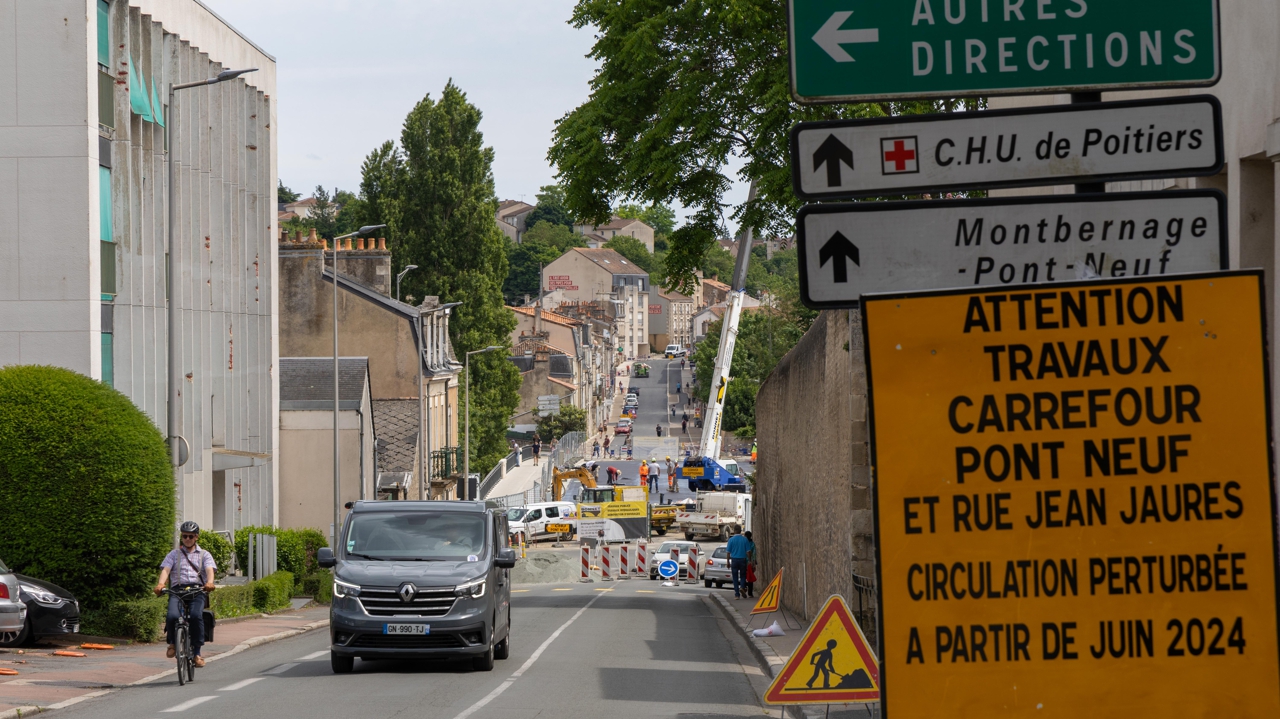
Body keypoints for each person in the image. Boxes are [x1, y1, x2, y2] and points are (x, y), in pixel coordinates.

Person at [154, 521, 216, 666]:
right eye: (184, 536)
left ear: (196, 537)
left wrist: (210, 583)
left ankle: (197, 654)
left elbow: (209, 570)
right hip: (177, 590)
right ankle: (172, 644)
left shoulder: (204, 555)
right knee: (172, 616)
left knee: (196, 616)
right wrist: (161, 584)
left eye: (190, 536)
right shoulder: (174, 554)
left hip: (198, 590)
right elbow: (166, 570)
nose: (187, 539)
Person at [725, 526, 755, 599]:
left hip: (734, 560)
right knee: (743, 576)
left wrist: (728, 562)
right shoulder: (745, 540)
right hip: (743, 560)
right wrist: (749, 560)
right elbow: (748, 552)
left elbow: (728, 553)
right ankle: (742, 587)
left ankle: (737, 595)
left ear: (734, 531)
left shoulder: (731, 540)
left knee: (735, 577)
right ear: (740, 531)